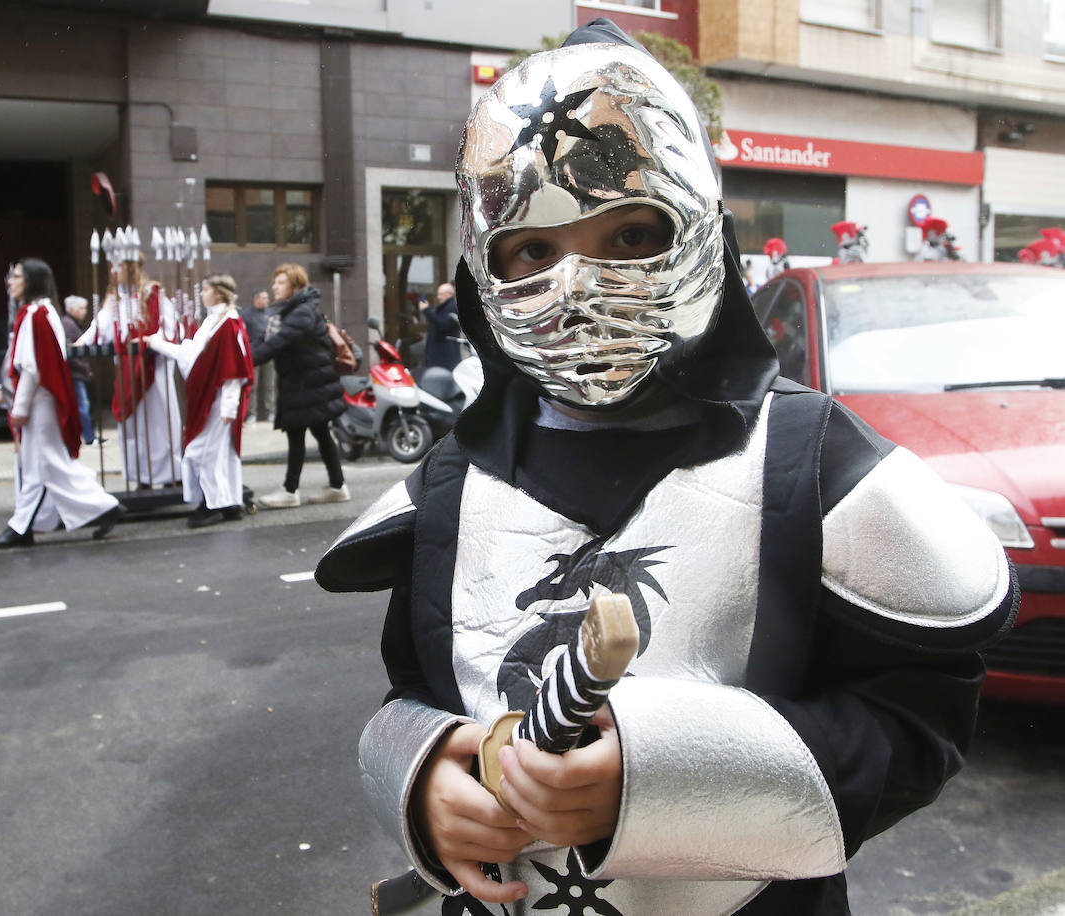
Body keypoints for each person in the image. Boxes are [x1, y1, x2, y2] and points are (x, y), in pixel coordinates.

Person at [315, 21, 1018, 916]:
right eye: (532, 250)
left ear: (699, 232)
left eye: (630, 234)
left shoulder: (811, 461)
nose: (578, 284)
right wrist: (423, 782)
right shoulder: (453, 480)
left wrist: (669, 781)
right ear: (483, 271)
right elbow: (418, 687)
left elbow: (914, 720)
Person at [0, 258, 125, 548]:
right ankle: (25, 525)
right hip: (42, 401)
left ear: (31, 281)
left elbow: (32, 367)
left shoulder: (36, 314)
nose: (10, 282)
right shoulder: (42, 312)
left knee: (48, 462)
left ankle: (100, 506)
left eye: (17, 277)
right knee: (42, 465)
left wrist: (20, 407)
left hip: (39, 403)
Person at [148, 274, 253, 528]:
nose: (202, 293)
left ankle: (211, 504)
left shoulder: (228, 323)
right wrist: (156, 342)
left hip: (218, 403)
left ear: (218, 293)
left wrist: (229, 406)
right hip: (212, 399)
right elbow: (190, 355)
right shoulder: (214, 321)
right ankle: (229, 503)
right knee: (219, 454)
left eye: (205, 289)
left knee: (200, 454)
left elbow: (233, 372)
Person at [74, 252, 183, 489]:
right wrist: (81, 343)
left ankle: (170, 473)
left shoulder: (153, 294)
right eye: (113, 267)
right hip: (126, 369)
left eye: (119, 266)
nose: (114, 271)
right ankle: (143, 476)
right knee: (134, 425)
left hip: (153, 368)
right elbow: (100, 326)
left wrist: (150, 340)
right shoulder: (115, 299)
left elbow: (170, 328)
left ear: (132, 268)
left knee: (159, 422)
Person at [250, 263, 348, 509]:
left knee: (297, 433)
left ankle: (290, 490)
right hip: (308, 382)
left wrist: (246, 362)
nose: (275, 286)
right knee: (320, 433)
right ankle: (337, 486)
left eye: (281, 282)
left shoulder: (301, 312)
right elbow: (267, 340)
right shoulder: (292, 309)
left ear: (294, 286)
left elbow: (278, 343)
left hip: (307, 384)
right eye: (275, 282)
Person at [62, 295, 96, 445]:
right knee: (83, 405)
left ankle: (87, 435)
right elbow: (70, 350)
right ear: (72, 309)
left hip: (78, 371)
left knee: (82, 405)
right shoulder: (68, 325)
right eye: (82, 308)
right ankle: (89, 436)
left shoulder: (73, 323)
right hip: (75, 372)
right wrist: (84, 368)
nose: (85, 311)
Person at [242, 289, 275, 422]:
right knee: (253, 385)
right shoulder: (246, 315)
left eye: (267, 298)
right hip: (253, 355)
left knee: (270, 385)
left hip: (269, 353)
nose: (267, 301)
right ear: (256, 300)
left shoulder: (271, 313)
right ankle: (252, 413)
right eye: (264, 298)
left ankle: (271, 411)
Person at [418, 281, 462, 372]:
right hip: (438, 355)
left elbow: (443, 325)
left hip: (445, 356)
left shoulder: (453, 307)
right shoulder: (444, 307)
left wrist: (426, 310)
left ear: (449, 294)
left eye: (441, 294)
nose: (438, 297)